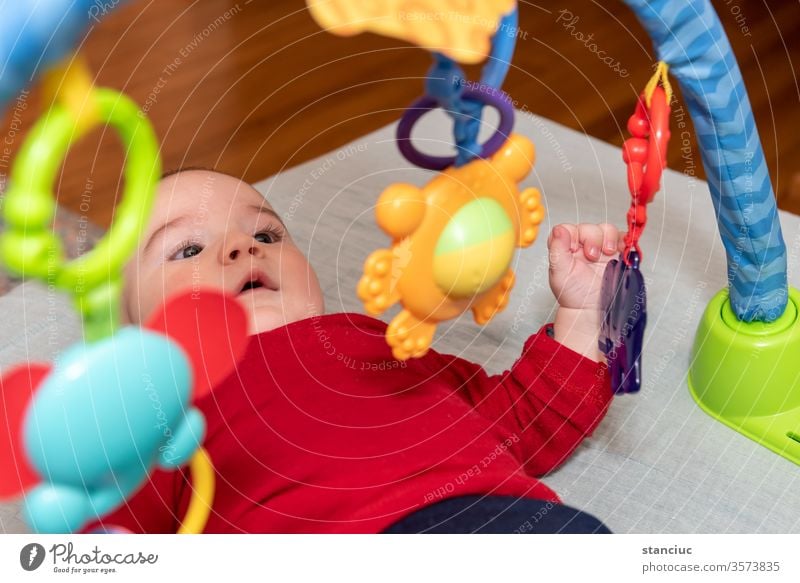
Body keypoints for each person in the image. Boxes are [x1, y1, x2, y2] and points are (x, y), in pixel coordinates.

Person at [103, 168, 622, 534]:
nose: (243, 247)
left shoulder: (372, 340)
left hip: (493, 523)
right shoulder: (156, 405)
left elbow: (522, 419)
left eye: (266, 232)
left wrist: (581, 314)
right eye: (188, 250)